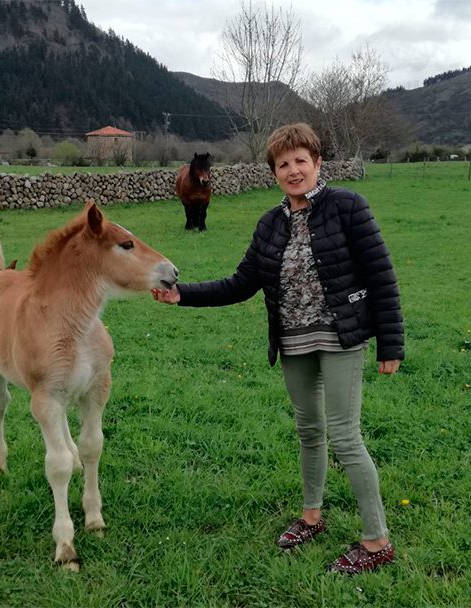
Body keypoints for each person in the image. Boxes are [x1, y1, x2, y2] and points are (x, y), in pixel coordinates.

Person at [151, 123, 404, 574]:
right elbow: (241, 282)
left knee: (345, 437)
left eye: (300, 161)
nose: (292, 170)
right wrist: (182, 293)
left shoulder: (347, 207)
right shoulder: (270, 224)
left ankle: (376, 541)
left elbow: (381, 276)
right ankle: (312, 516)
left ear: (317, 163)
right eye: (283, 164)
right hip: (293, 340)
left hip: (341, 337)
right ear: (274, 172)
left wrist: (390, 344)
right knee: (309, 431)